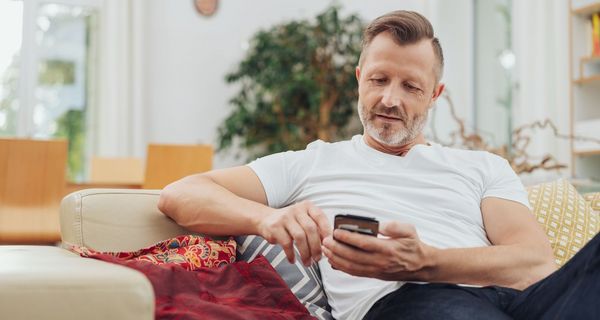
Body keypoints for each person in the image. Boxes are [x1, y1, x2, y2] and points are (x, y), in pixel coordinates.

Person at [158, 10, 599, 320]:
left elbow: (534, 263)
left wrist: (425, 260)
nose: (390, 98)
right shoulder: (312, 163)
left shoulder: (483, 166)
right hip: (410, 304)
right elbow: (180, 194)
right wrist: (267, 218)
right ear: (358, 79)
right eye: (379, 79)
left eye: (410, 86)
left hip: (522, 302)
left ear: (434, 96)